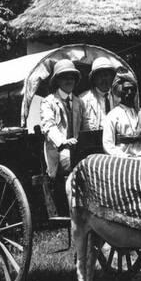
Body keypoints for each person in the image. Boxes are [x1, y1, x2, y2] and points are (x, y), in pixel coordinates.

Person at [40, 59, 85, 190]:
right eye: (64, 77)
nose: (69, 81)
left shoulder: (79, 102)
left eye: (72, 77)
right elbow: (48, 126)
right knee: (76, 165)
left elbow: (85, 127)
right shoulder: (48, 102)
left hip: (78, 151)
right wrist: (63, 142)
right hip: (59, 152)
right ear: (57, 81)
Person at [103, 71, 141, 157]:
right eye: (126, 89)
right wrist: (125, 157)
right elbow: (108, 144)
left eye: (132, 89)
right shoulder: (113, 115)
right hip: (122, 159)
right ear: (120, 91)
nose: (129, 92)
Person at [79, 57, 118, 130]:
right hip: (94, 140)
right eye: (100, 76)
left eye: (106, 75)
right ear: (94, 78)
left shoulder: (119, 98)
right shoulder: (83, 99)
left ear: (112, 77)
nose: (104, 79)